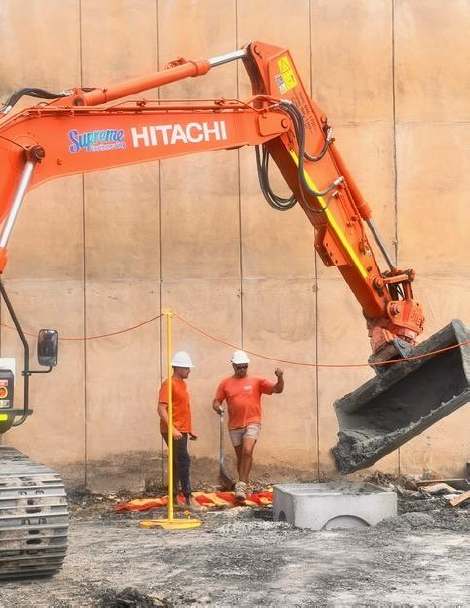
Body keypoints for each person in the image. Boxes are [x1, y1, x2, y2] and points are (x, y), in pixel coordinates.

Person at [212, 350, 284, 500]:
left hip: (253, 422)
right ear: (233, 366)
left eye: (245, 367)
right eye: (239, 367)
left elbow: (278, 389)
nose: (242, 370)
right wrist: (218, 407)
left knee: (247, 450)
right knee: (242, 457)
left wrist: (280, 377)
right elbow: (216, 401)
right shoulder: (225, 383)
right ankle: (243, 486)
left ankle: (242, 485)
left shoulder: (257, 381)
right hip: (234, 426)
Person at [157, 350, 204, 511]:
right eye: (186, 368)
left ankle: (175, 497)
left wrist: (188, 430)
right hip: (172, 430)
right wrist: (172, 428)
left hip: (181, 430)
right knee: (184, 460)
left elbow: (182, 408)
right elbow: (161, 409)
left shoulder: (183, 384)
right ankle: (188, 497)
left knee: (178, 463)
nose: (189, 371)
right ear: (177, 368)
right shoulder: (168, 384)